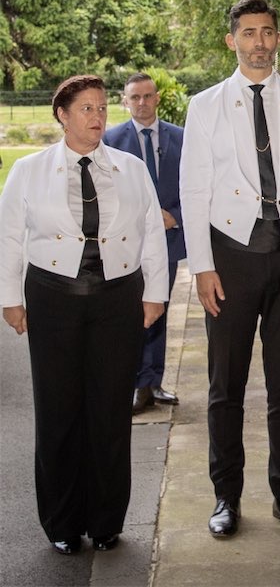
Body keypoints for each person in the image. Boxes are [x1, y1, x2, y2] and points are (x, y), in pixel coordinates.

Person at [179, 0, 280, 539]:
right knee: (226, 386)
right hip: (230, 259)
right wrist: (201, 266)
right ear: (232, 41)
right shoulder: (205, 107)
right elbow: (194, 189)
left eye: (267, 32)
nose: (260, 42)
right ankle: (226, 496)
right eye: (248, 33)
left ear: (277, 39)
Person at [0, 75, 168, 555]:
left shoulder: (131, 168)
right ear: (63, 115)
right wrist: (11, 298)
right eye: (86, 109)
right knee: (59, 411)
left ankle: (106, 519)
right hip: (53, 298)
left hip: (117, 299)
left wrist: (154, 293)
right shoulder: (30, 170)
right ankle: (62, 522)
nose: (97, 118)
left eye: (100, 108)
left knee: (110, 409)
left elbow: (151, 232)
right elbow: (10, 236)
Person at [104, 72, 186, 414]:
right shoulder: (108, 140)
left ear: (157, 98)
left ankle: (153, 382)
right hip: (126, 244)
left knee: (159, 310)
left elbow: (197, 183)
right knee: (131, 313)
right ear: (125, 101)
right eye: (134, 97)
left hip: (167, 240)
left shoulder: (182, 138)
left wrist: (175, 215)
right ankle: (133, 382)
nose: (142, 103)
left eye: (147, 96)